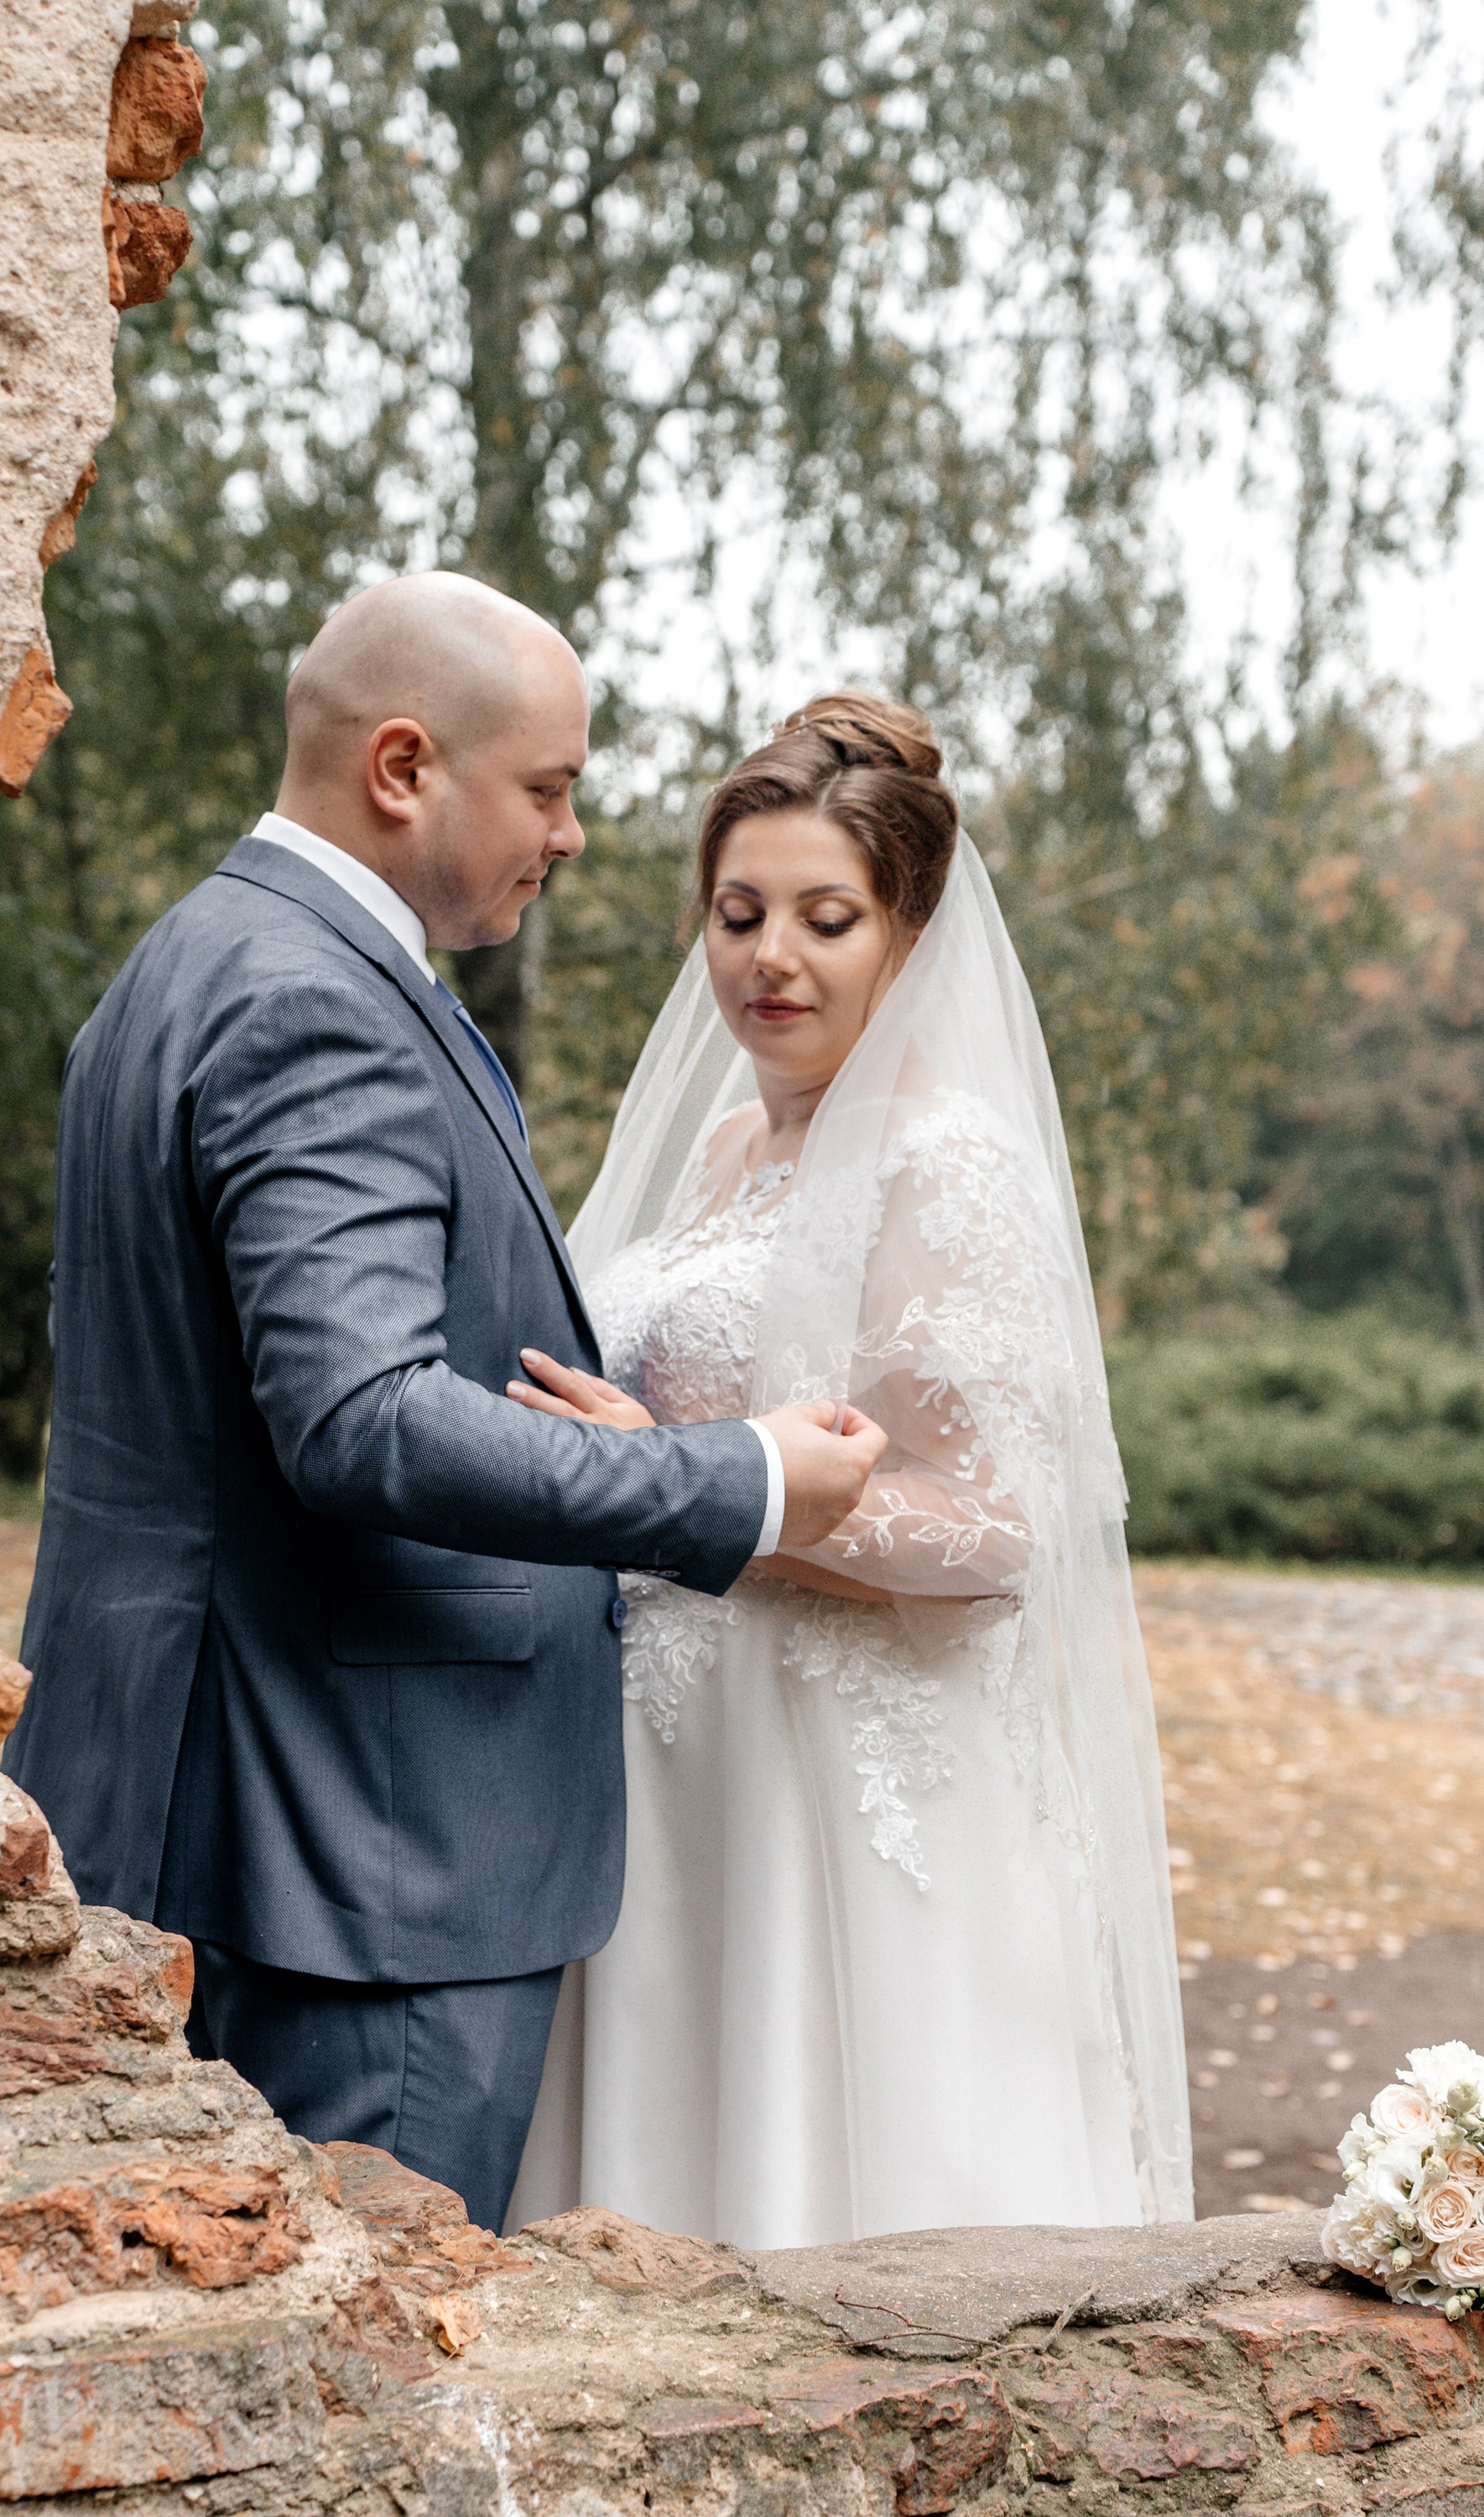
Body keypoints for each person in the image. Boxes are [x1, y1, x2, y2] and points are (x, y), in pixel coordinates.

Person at [3, 576, 885, 2234]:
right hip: (363, 1851)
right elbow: (364, 1419)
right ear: (404, 768)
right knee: (365, 2389)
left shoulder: (189, 963)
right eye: (545, 790)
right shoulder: (315, 999)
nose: (564, 837)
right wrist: (736, 1481)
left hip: (218, 1794)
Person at [507, 696, 1193, 2244]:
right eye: (741, 913)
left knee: (843, 2186)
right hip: (671, 1765)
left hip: (839, 1767)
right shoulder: (720, 1158)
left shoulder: (944, 1161)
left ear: (909, 931)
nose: (772, 959)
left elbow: (1005, 1529)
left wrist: (693, 1488)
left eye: (828, 919)